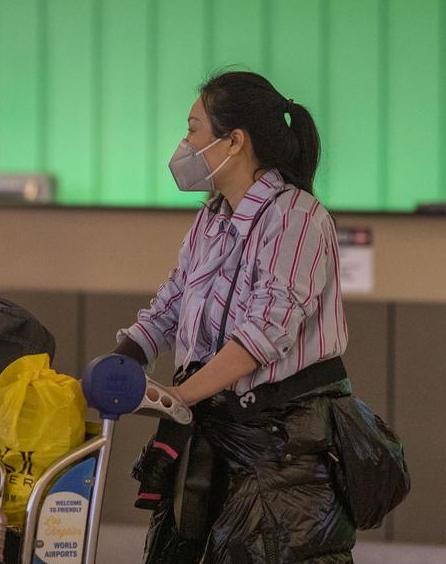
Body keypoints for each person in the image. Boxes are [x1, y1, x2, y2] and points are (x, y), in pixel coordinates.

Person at [114, 71, 356, 564]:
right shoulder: (213, 218)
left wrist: (180, 394)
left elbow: (263, 334)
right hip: (220, 432)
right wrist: (124, 358)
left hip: (280, 451)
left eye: (193, 129)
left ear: (235, 141)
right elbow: (174, 298)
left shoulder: (297, 218)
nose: (184, 144)